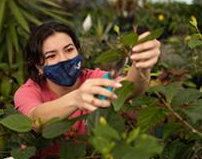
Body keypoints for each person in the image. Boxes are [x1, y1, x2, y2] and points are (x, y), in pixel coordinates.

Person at [14, 22, 161, 137]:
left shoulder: (92, 78)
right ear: (38, 66)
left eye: (69, 49)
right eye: (51, 56)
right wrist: (76, 99)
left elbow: (131, 89)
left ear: (78, 50)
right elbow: (34, 120)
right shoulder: (29, 92)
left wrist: (142, 64)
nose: (64, 59)